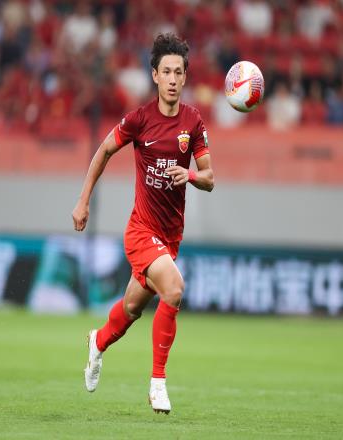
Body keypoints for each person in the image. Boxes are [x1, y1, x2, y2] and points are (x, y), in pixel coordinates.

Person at [71, 33, 214, 414]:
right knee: (174, 289)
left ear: (185, 77)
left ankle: (97, 342)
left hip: (170, 236)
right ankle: (157, 383)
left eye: (178, 72)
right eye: (166, 71)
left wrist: (191, 176)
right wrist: (83, 200)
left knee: (131, 310)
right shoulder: (139, 120)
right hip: (141, 231)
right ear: (154, 75)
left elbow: (210, 177)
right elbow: (104, 150)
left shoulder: (193, 121)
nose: (172, 79)